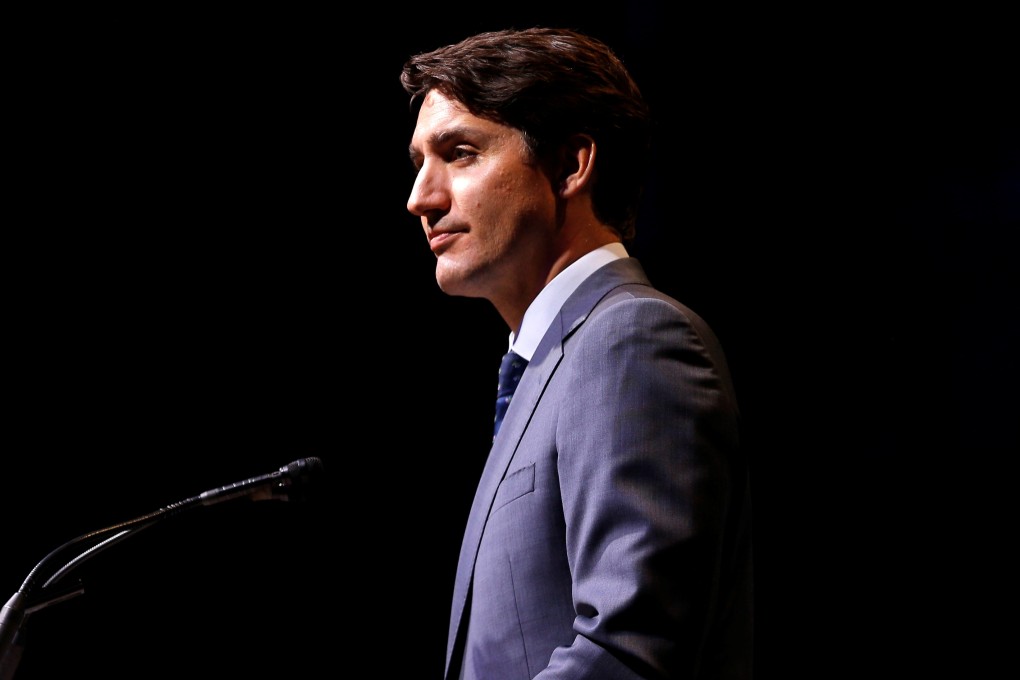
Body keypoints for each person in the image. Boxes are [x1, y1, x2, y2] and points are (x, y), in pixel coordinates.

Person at [401, 27, 753, 680]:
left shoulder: (632, 342)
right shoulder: (550, 368)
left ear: (569, 165)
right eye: (419, 162)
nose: (420, 197)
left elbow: (629, 653)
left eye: (460, 153)